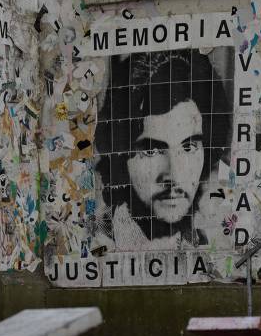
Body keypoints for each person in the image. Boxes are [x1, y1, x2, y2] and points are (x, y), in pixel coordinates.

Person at [93, 48, 232, 251]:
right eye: (151, 150)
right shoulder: (97, 240)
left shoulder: (213, 239)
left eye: (188, 146)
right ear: (121, 153)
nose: (173, 175)